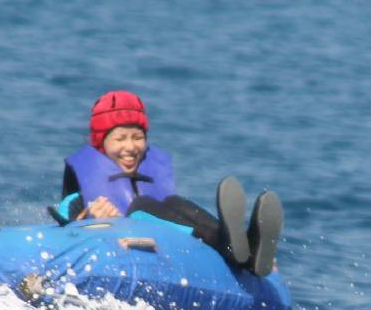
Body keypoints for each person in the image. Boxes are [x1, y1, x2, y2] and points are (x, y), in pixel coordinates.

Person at [52, 89, 283, 278]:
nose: (131, 147)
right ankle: (228, 245)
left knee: (174, 201)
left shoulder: (146, 177)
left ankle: (245, 245)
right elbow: (64, 220)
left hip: (167, 242)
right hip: (120, 243)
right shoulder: (84, 187)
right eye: (120, 138)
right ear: (101, 144)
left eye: (138, 137)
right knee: (141, 207)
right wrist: (88, 216)